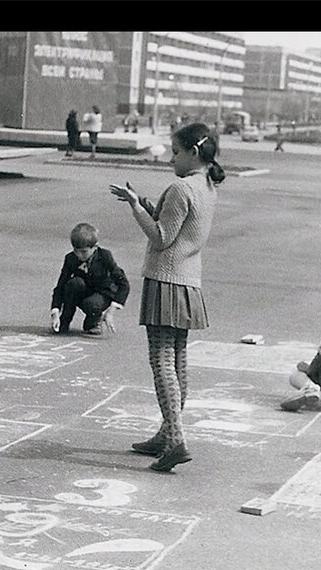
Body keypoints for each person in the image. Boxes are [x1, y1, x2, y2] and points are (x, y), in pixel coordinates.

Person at [108, 122, 224, 472]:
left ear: (192, 152)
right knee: (178, 360)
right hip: (189, 282)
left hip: (166, 279)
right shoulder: (207, 185)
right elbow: (180, 224)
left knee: (161, 362)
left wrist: (136, 209)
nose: (171, 159)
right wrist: (143, 201)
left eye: (175, 152)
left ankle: (175, 439)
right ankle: (166, 433)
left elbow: (161, 237)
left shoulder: (180, 187)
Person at [50, 223, 130, 336]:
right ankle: (64, 321)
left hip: (103, 294)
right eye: (75, 250)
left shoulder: (105, 256)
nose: (79, 255)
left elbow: (124, 284)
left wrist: (111, 311)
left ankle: (93, 322)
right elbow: (60, 286)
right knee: (73, 283)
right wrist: (55, 311)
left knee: (92, 304)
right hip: (85, 290)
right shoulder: (70, 259)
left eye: (83, 252)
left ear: (95, 247)